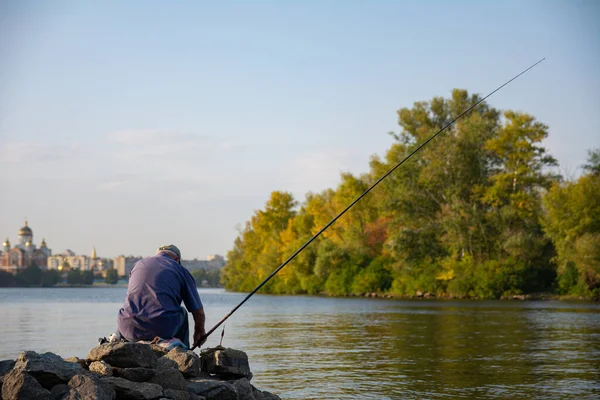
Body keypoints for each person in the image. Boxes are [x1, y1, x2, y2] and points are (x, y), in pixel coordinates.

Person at [116, 245, 206, 349]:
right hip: (161, 329)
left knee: (128, 312)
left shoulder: (138, 265)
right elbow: (198, 311)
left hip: (128, 329)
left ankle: (115, 339)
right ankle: (183, 355)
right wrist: (200, 332)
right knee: (183, 313)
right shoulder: (180, 270)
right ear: (177, 259)